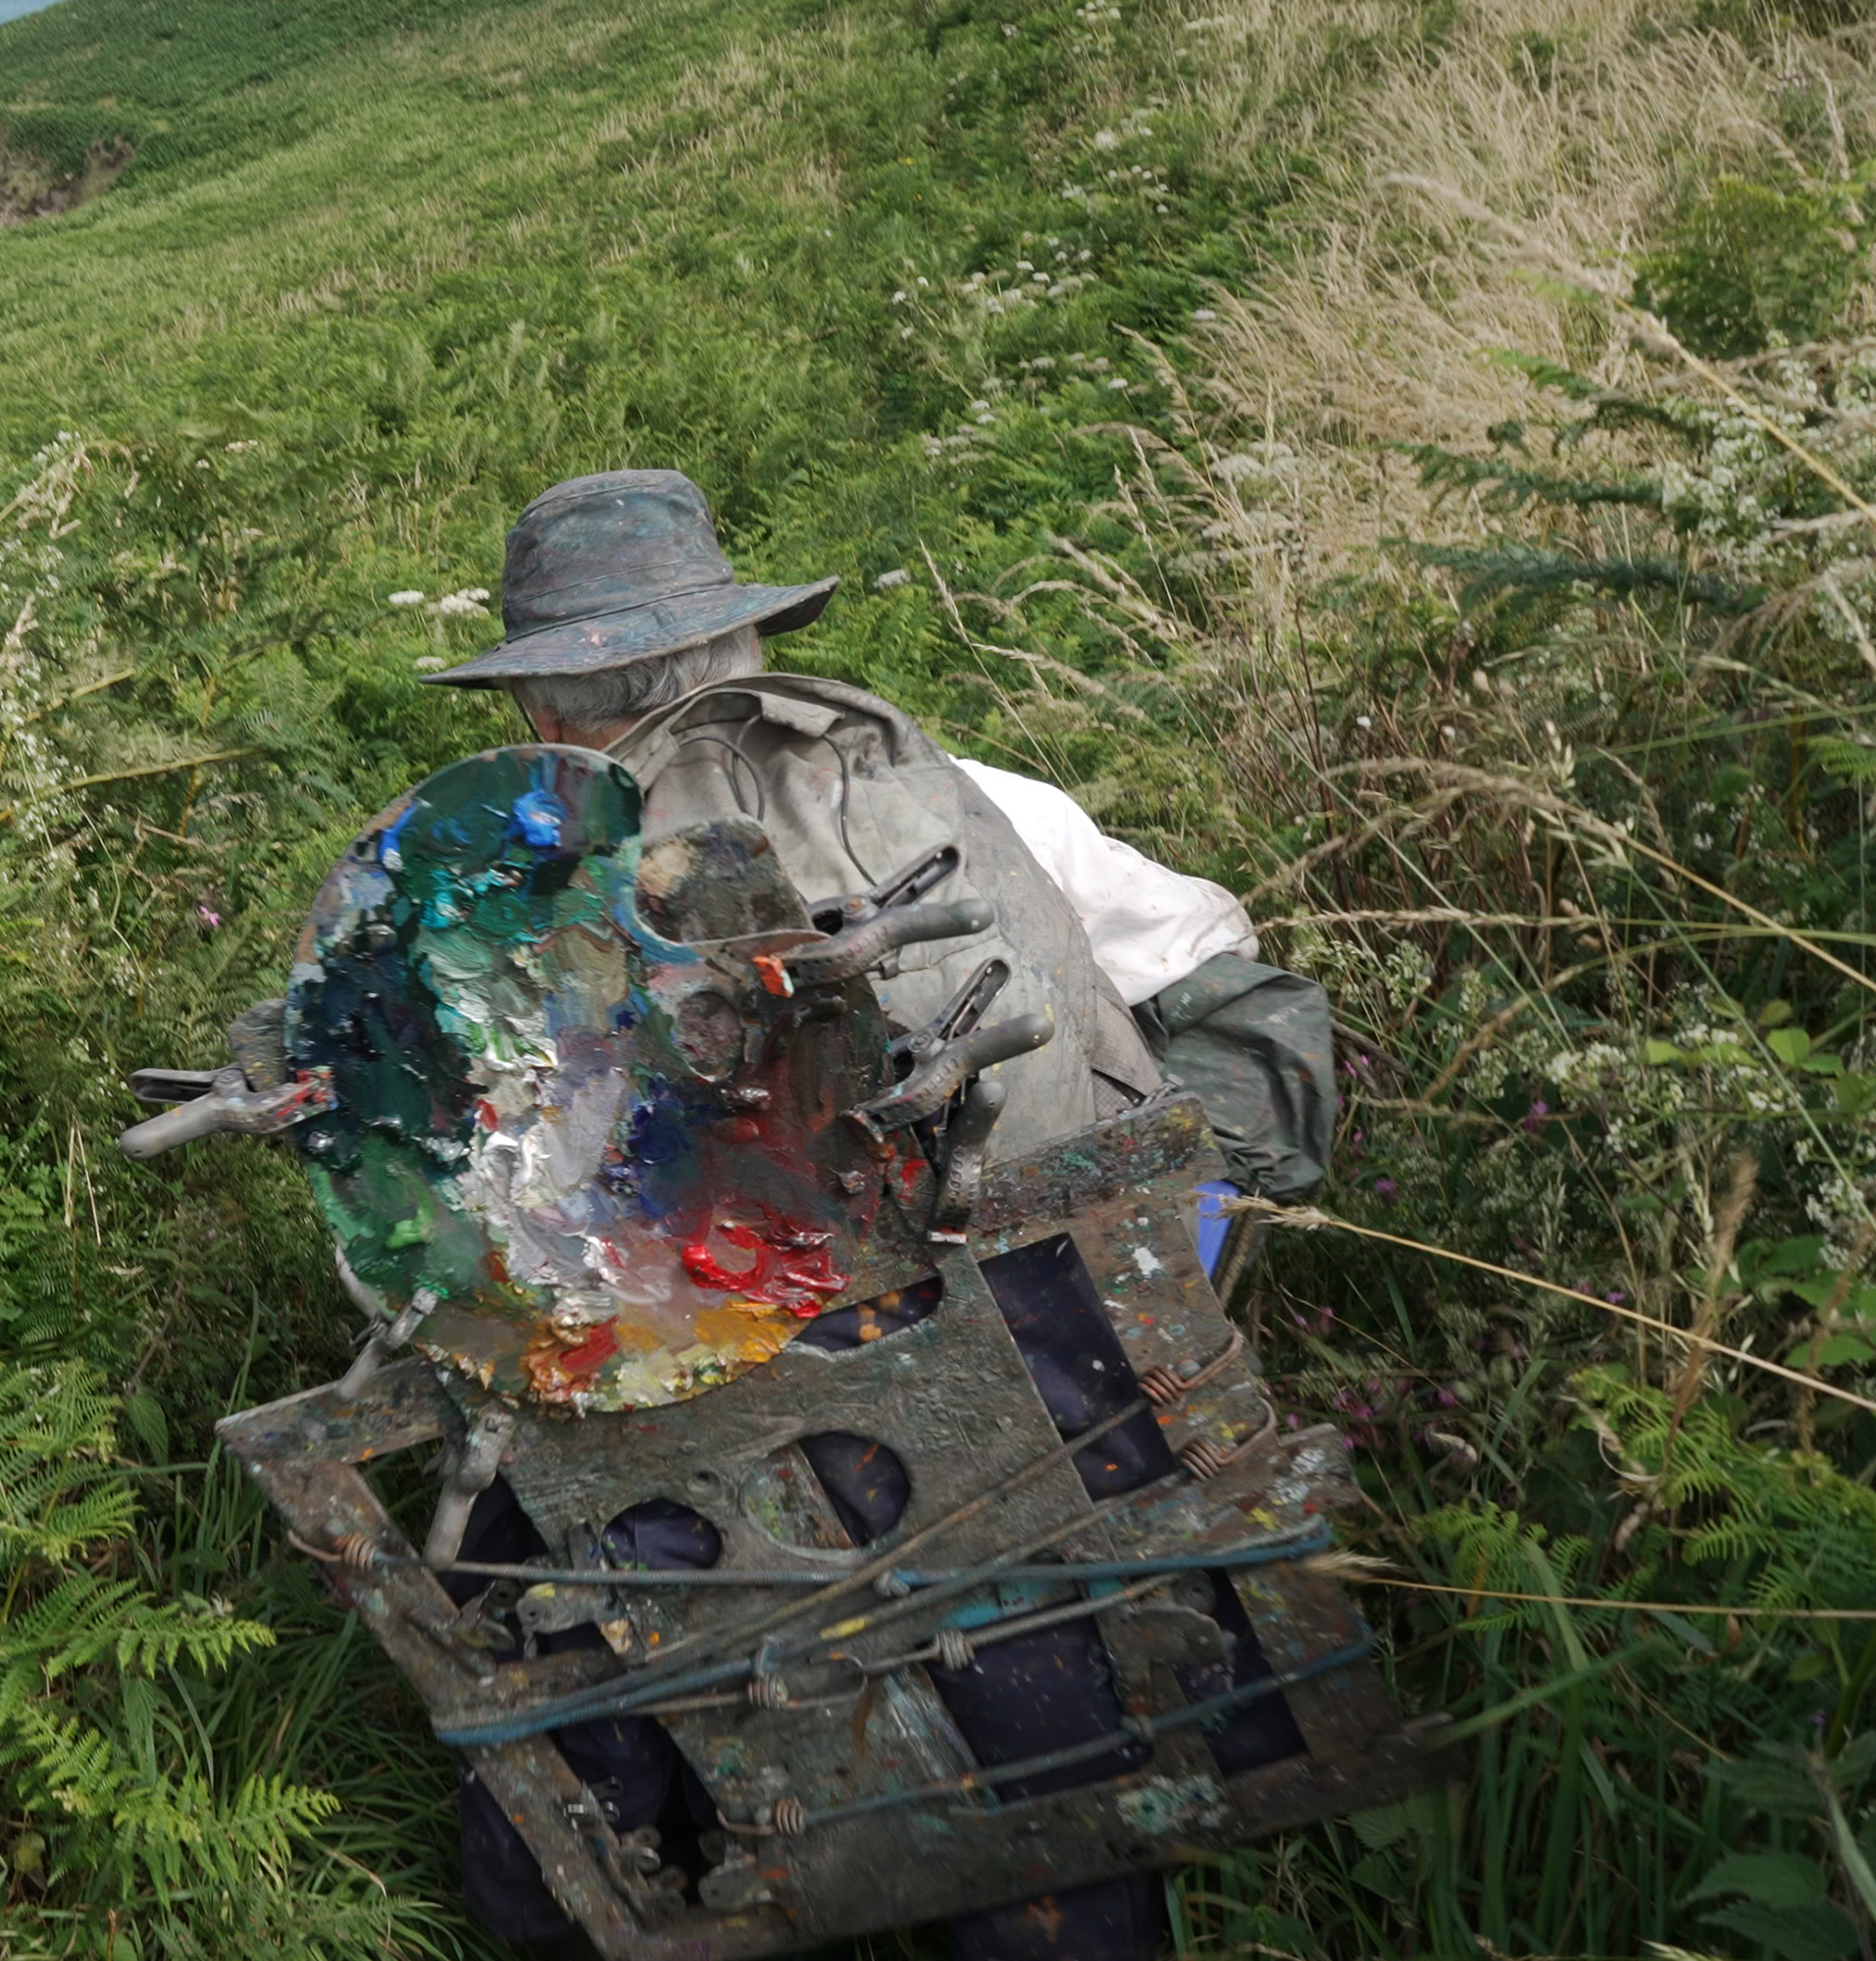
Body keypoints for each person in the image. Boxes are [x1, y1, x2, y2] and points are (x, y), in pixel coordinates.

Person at [414, 470, 1341, 1959]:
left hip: (699, 1425)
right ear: (750, 650)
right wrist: (1165, 1229)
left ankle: (634, 1886)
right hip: (1028, 1381)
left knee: (556, 1566)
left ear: (537, 709)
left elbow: (464, 1236)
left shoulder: (506, 895)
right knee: (1039, 1686)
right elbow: (1229, 991)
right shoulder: (967, 798)